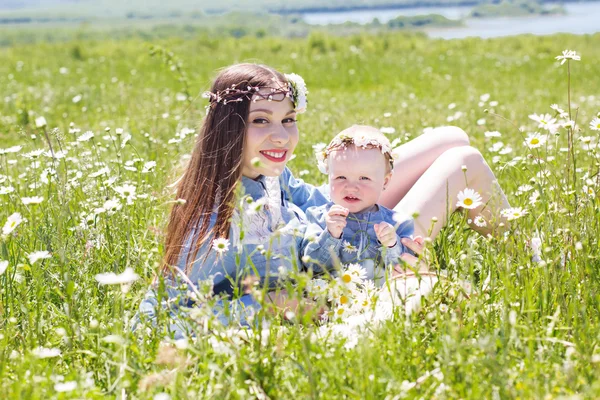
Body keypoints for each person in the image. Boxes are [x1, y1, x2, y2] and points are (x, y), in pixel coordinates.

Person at [136, 63, 510, 338]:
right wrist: (270, 303)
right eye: (262, 121)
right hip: (356, 262)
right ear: (229, 127)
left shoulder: (268, 174)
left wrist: (356, 181)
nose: (282, 136)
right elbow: (155, 321)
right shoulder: (212, 219)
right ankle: (532, 262)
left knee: (451, 136)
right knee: (465, 163)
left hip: (341, 228)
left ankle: (529, 260)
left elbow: (314, 199)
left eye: (289, 119)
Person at [301, 125, 414, 286]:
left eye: (364, 178)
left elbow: (407, 270)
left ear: (385, 181)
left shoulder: (397, 223)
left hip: (381, 300)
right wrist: (331, 236)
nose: (351, 187)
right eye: (340, 177)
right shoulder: (320, 218)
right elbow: (312, 266)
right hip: (333, 300)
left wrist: (392, 244)